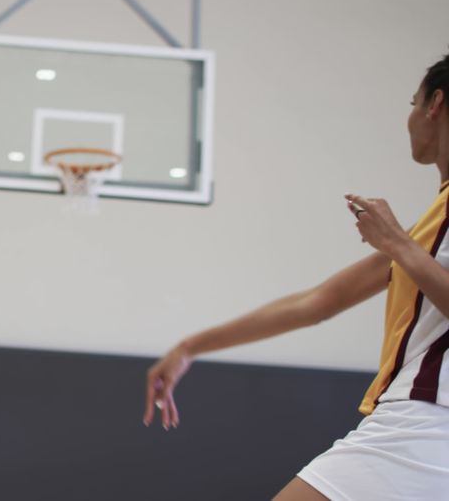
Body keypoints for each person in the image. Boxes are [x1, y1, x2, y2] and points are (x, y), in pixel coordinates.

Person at [143, 51, 449, 501]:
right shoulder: (432, 222)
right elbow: (318, 303)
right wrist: (191, 347)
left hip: (427, 421)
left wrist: (397, 244)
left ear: (435, 104)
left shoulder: (412, 240)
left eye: (411, 104)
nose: (408, 121)